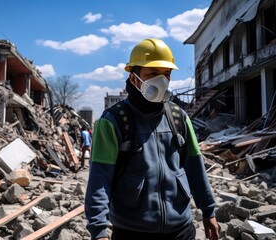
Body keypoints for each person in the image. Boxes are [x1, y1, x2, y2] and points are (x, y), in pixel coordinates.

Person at [85, 38, 219, 240]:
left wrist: (209, 211)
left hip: (181, 230)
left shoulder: (178, 117)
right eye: (153, 74)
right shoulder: (113, 121)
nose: (161, 80)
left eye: (166, 74)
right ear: (133, 78)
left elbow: (195, 168)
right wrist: (98, 230)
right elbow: (99, 178)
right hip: (131, 231)